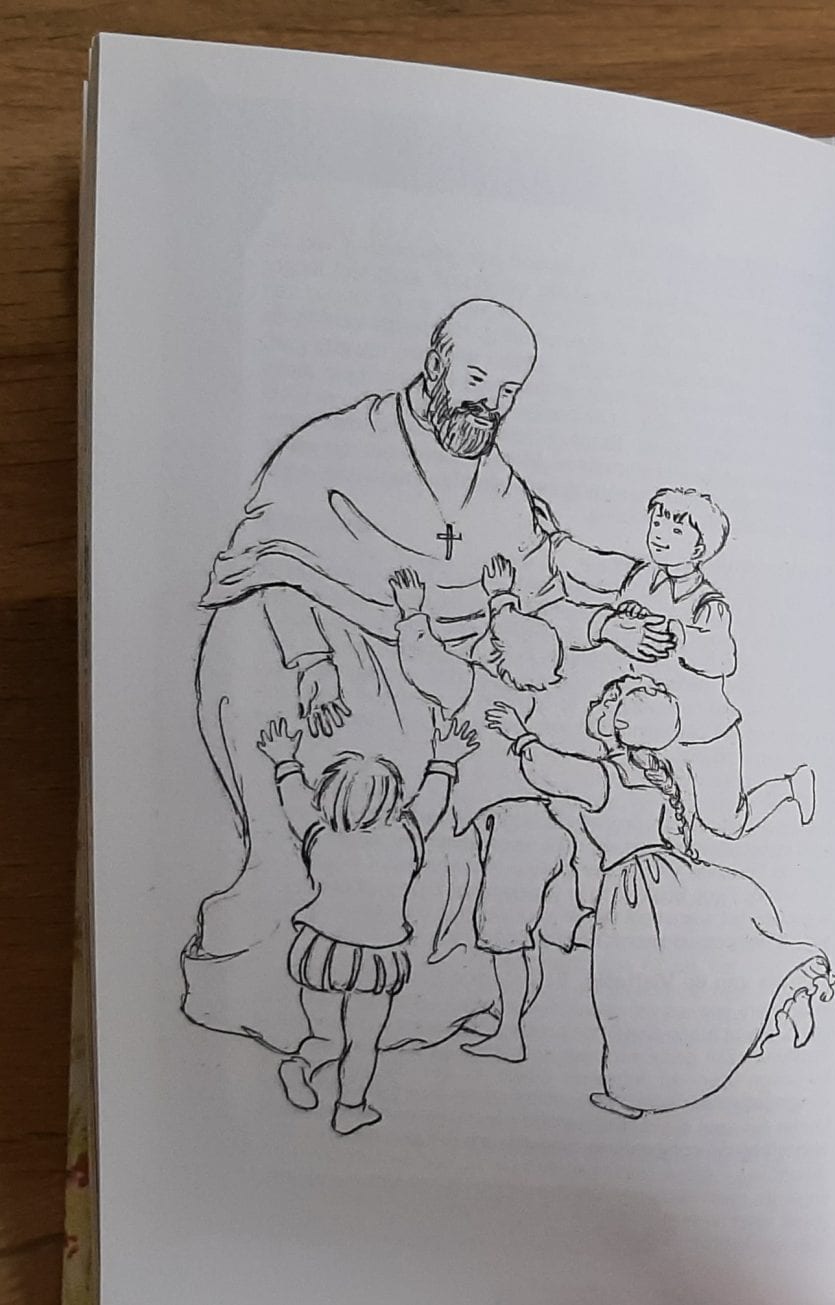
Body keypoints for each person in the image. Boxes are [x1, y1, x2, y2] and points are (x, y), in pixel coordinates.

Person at [185, 298, 645, 1056]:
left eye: (507, 392)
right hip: (320, 663)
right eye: (477, 380)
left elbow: (537, 587)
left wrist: (606, 624)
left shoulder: (501, 487)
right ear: (436, 364)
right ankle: (279, 904)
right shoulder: (334, 445)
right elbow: (268, 566)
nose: (489, 405)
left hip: (428, 684)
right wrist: (311, 662)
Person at [485, 674, 833, 1117]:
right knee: (670, 981)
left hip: (631, 894)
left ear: (619, 725)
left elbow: (548, 771)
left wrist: (519, 735)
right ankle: (767, 1007)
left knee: (624, 992)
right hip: (671, 877)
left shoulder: (606, 777)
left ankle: (634, 1091)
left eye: (608, 699)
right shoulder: (659, 777)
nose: (595, 702)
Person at [255, 715, 479, 1134]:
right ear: (393, 801)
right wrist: (445, 758)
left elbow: (294, 802)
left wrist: (285, 760)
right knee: (362, 1040)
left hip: (319, 949)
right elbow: (433, 800)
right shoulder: (406, 837)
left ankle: (300, 1064)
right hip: (376, 955)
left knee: (326, 1036)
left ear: (328, 797)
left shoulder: (318, 835)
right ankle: (350, 1109)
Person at [390, 559, 576, 1063]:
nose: (484, 641)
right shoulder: (532, 700)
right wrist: (501, 598)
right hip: (540, 828)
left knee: (504, 938)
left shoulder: (476, 686)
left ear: (495, 655)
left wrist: (412, 613)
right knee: (518, 937)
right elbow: (518, 637)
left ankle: (510, 1034)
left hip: (515, 835)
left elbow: (425, 665)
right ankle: (507, 1013)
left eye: (492, 640)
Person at [550, 487, 815, 840]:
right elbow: (592, 566)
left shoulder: (708, 604)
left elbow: (723, 657)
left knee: (725, 823)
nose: (660, 535)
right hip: (653, 729)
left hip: (706, 733)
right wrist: (554, 544)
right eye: (657, 524)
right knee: (662, 808)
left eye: (676, 531)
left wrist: (680, 634)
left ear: (699, 549)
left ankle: (791, 787)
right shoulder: (638, 577)